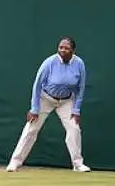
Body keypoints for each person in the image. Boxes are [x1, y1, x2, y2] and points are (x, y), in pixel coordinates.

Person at [6, 37, 90, 172]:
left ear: (73, 51)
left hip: (66, 101)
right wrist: (34, 108)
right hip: (45, 98)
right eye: (61, 47)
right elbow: (37, 85)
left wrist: (76, 110)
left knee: (74, 129)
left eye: (66, 48)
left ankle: (78, 164)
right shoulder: (49, 62)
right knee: (31, 129)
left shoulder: (79, 64)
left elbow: (81, 88)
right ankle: (15, 162)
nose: (62, 50)